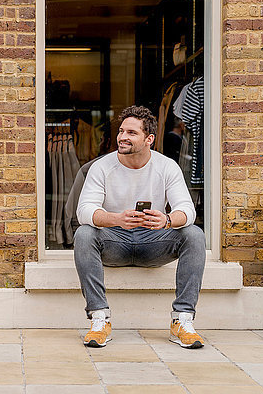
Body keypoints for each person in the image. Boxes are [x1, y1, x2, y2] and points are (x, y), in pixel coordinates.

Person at [74, 105, 206, 349]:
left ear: (149, 139)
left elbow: (187, 210)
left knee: (194, 234)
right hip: (115, 241)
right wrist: (116, 219)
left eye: (132, 133)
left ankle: (182, 320)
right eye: (122, 131)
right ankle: (99, 318)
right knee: (84, 234)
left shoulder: (166, 166)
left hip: (153, 242)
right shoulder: (102, 166)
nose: (123, 137)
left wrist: (166, 220)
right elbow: (84, 211)